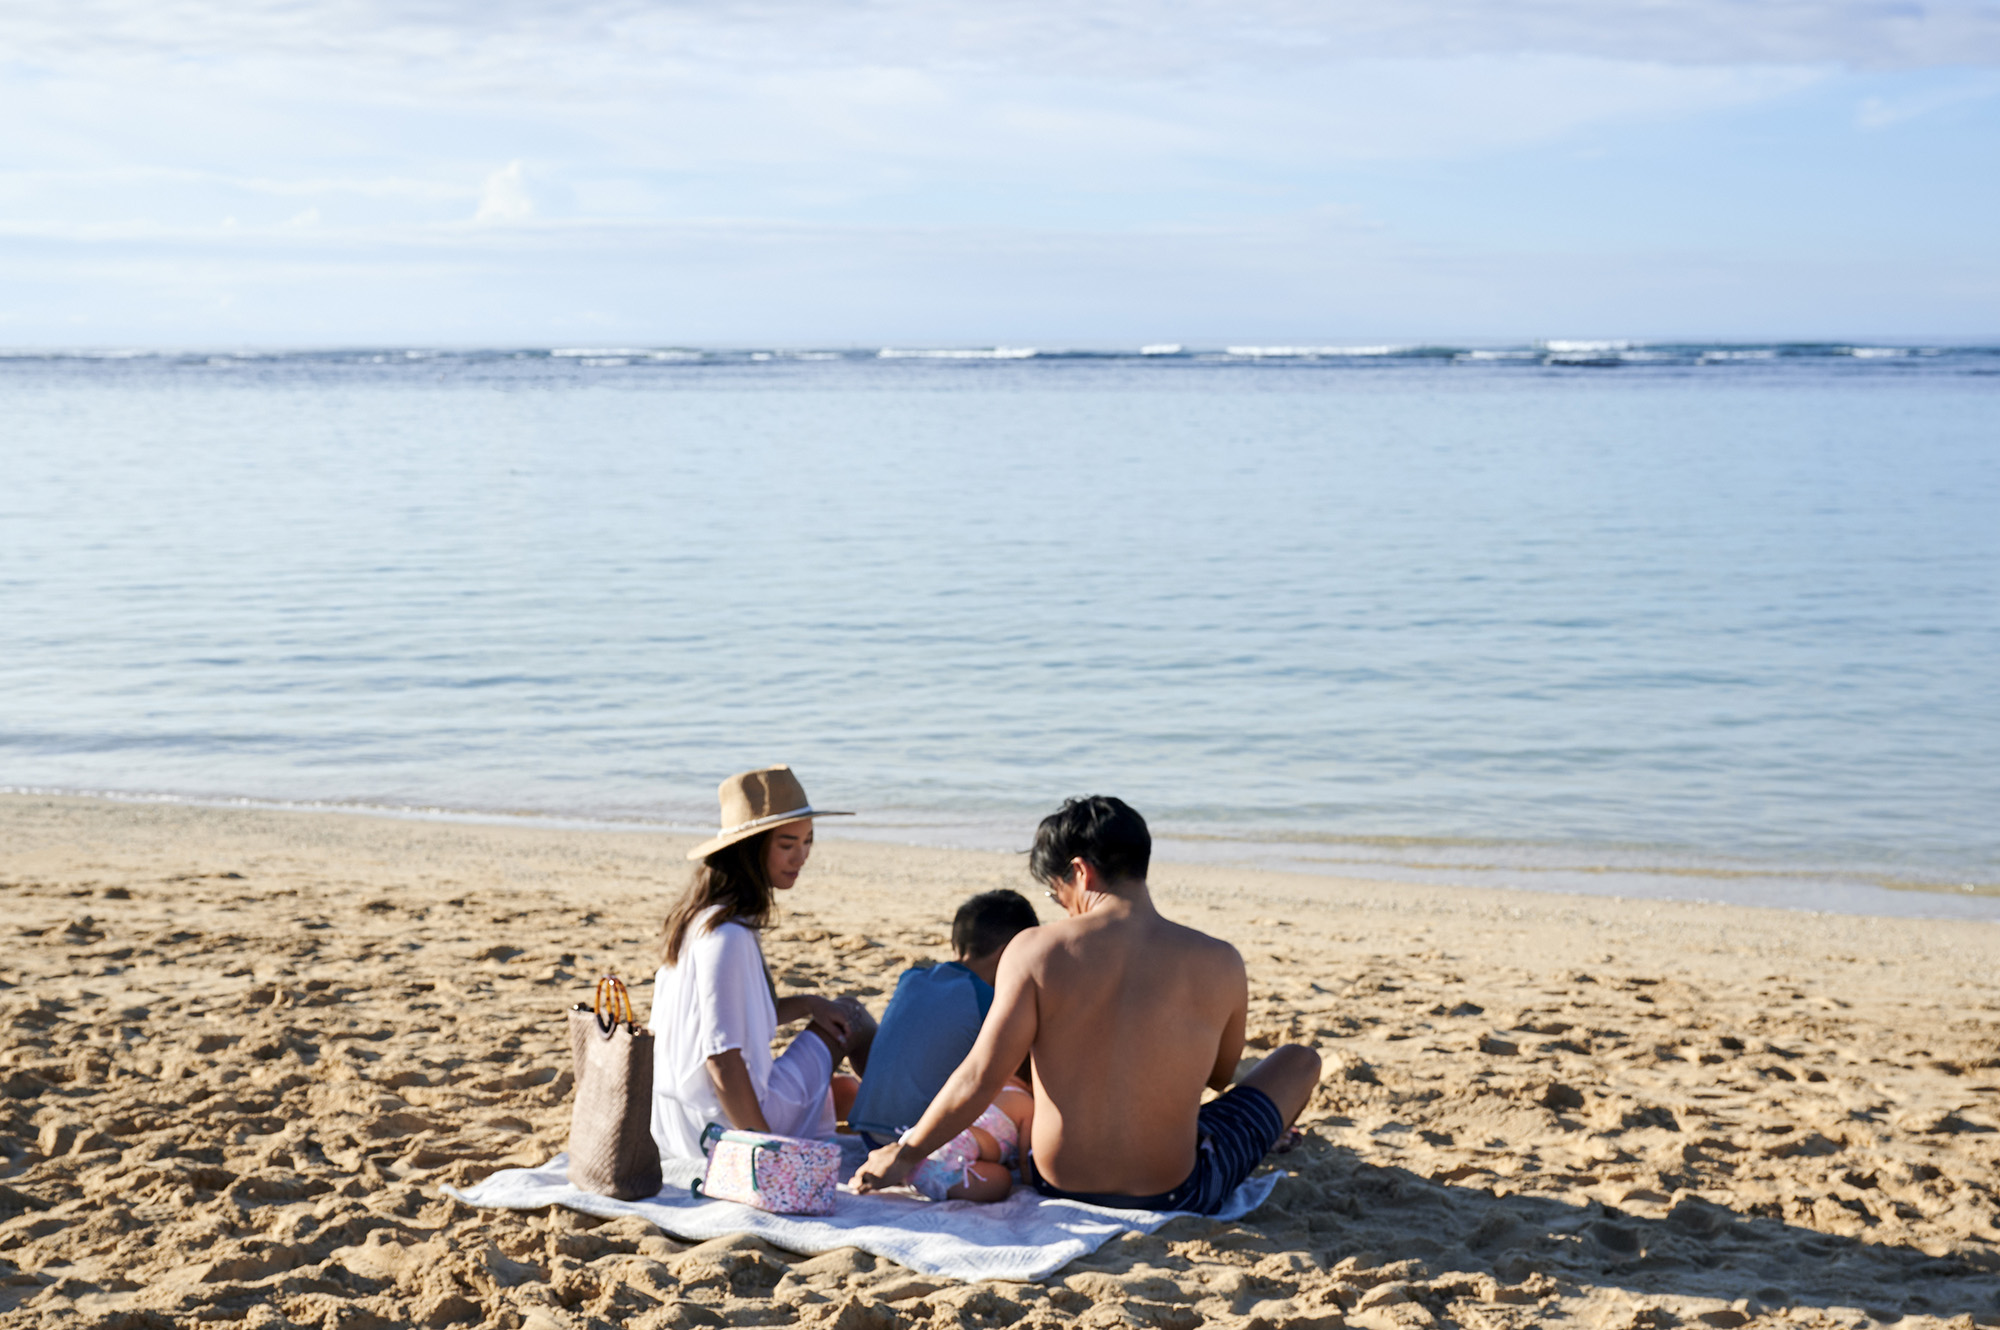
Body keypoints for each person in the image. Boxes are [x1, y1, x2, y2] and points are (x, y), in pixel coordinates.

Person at [854, 795, 1321, 1214]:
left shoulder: (1035, 950)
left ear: (1080, 871)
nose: (1061, 907)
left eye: (1055, 891)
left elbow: (981, 1075)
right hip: (1177, 1190)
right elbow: (1220, 1077)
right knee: (1300, 1060)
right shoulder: (1221, 959)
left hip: (1054, 1182)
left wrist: (907, 1152)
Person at [649, 766, 875, 1160]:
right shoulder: (728, 937)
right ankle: (903, 1129)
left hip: (683, 1123)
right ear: (749, 849)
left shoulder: (701, 918)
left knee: (836, 1021)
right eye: (787, 844)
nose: (801, 857)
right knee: (853, 1016)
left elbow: (730, 1016)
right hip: (730, 1128)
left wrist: (808, 1003)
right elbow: (721, 1058)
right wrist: (765, 1150)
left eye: (807, 842)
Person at [846, 890, 1040, 1201]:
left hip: (869, 1137)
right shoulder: (988, 998)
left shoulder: (912, 978)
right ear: (1011, 953)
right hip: (917, 1141)